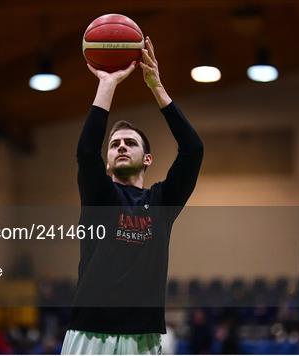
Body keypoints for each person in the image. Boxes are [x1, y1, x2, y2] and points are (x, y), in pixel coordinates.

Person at [61, 36, 203, 355]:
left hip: (144, 337)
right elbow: (86, 152)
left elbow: (193, 150)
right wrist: (107, 83)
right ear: (108, 161)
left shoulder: (162, 203)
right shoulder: (101, 196)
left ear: (148, 159)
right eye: (114, 144)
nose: (121, 146)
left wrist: (156, 86)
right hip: (90, 332)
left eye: (130, 143)